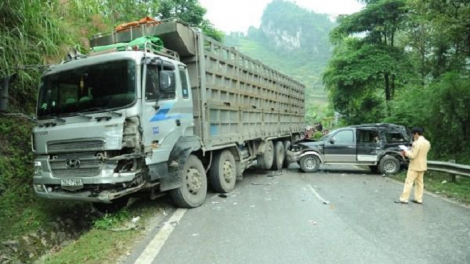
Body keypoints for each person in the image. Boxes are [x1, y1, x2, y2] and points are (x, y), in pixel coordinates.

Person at [395, 127, 431, 204]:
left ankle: (404, 199)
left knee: (409, 182)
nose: (413, 136)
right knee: (420, 183)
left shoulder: (416, 143)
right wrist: (411, 149)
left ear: (416, 134)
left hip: (414, 166)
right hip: (423, 165)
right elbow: (422, 153)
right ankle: (419, 199)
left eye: (413, 134)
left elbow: (413, 155)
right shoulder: (427, 142)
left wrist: (406, 152)